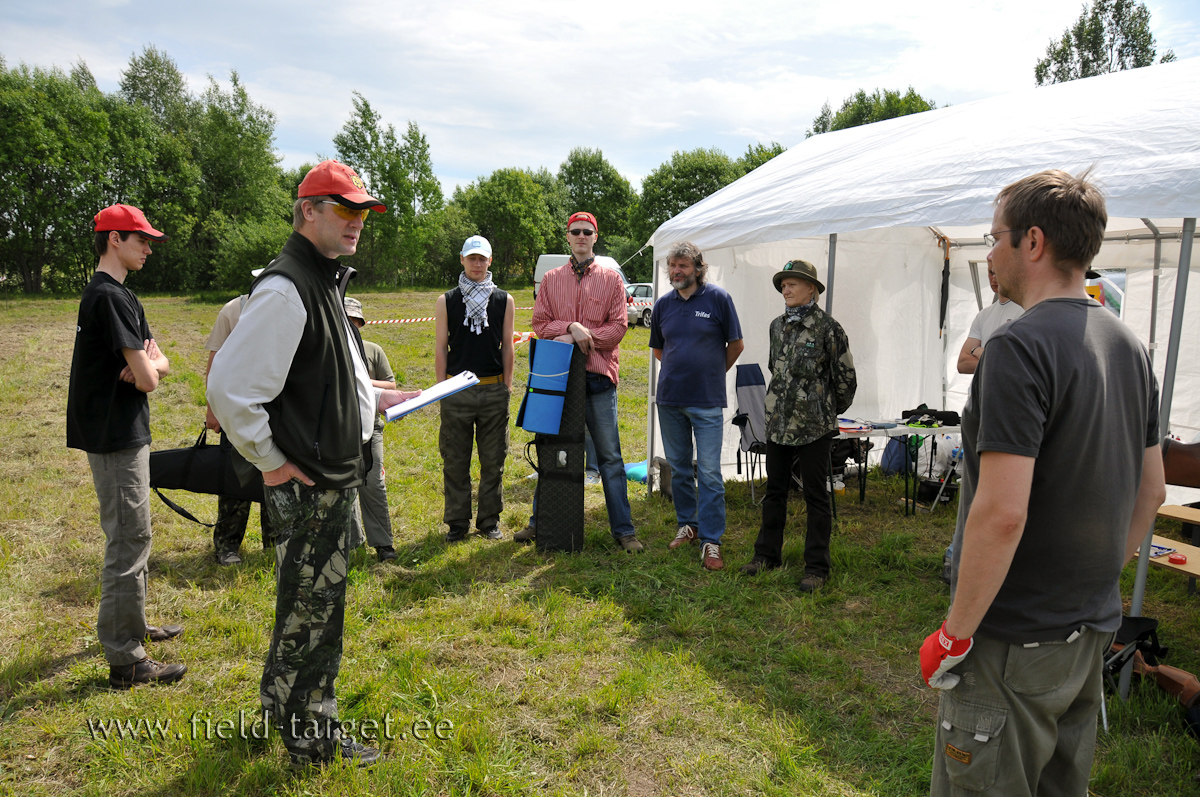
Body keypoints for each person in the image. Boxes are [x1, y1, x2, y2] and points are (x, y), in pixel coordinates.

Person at [920, 170, 1165, 796]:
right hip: (1090, 627)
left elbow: (1001, 514)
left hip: (1013, 636)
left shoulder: (1017, 348)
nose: (989, 252)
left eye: (994, 236)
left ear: (1033, 242)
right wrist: (1097, 580)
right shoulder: (1130, 347)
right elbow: (1151, 491)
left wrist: (955, 632)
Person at [207, 160, 419, 768]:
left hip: (327, 475)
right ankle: (310, 739)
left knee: (305, 605)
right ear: (308, 211)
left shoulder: (322, 279)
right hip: (306, 481)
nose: (358, 222)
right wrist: (270, 462)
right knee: (315, 613)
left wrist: (377, 399)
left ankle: (282, 708)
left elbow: (320, 378)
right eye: (345, 209)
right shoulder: (286, 286)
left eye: (363, 212)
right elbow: (228, 389)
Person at [66, 204, 186, 689]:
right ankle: (126, 661)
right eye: (141, 239)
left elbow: (162, 364)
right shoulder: (109, 297)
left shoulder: (122, 296)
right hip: (115, 434)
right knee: (128, 540)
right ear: (113, 239)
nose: (149, 248)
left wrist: (150, 369)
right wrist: (149, 371)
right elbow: (150, 377)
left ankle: (130, 627)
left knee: (136, 536)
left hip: (126, 430)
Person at [515, 211, 642, 551]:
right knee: (551, 450)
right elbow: (541, 324)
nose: (582, 237)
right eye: (576, 232)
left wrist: (587, 338)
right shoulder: (551, 279)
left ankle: (624, 530)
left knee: (610, 458)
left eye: (587, 232)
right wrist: (571, 329)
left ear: (595, 237)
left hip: (599, 380)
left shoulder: (612, 280)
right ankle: (539, 522)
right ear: (568, 237)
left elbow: (618, 328)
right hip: (559, 379)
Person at [740, 259, 856, 593]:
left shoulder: (828, 328)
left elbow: (845, 378)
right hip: (778, 424)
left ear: (811, 290)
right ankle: (766, 556)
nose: (785, 290)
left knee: (816, 495)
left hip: (813, 428)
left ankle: (817, 567)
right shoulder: (777, 326)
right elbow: (775, 368)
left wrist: (824, 410)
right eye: (783, 285)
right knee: (775, 491)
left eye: (792, 284)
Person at [651, 241, 744, 570]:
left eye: (684, 266)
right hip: (670, 399)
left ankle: (711, 540)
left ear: (698, 268)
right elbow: (659, 350)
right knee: (679, 469)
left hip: (706, 401)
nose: (677, 271)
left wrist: (711, 372)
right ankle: (687, 525)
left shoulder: (718, 299)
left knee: (708, 473)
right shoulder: (663, 305)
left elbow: (736, 344)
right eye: (673, 266)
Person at [434, 235, 515, 543]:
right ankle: (457, 522)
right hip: (456, 391)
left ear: (490, 261)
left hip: (493, 391)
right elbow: (441, 348)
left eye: (482, 259)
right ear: (462, 260)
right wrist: (441, 390)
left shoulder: (504, 300)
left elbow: (508, 347)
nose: (477, 263)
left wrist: (507, 387)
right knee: (455, 460)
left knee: (493, 460)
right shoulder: (447, 300)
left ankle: (489, 521)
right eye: (472, 258)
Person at [203, 290, 276, 565]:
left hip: (276, 410)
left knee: (275, 475)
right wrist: (213, 409)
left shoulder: (288, 308)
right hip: (236, 409)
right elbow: (216, 360)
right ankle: (227, 545)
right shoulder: (233, 310)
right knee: (235, 478)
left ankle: (275, 543)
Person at [343, 296, 399, 561]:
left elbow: (391, 385)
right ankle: (353, 543)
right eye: (346, 319)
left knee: (373, 483)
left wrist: (363, 380)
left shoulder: (374, 351)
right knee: (345, 485)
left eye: (355, 320)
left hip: (370, 427)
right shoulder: (329, 350)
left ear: (361, 323)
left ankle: (383, 544)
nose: (351, 325)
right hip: (339, 429)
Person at [956, 264, 1023, 375]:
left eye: (998, 273)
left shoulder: (1026, 311)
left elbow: (1015, 363)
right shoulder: (983, 315)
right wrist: (995, 361)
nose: (994, 278)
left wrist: (977, 351)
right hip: (981, 391)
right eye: (991, 272)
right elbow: (962, 364)